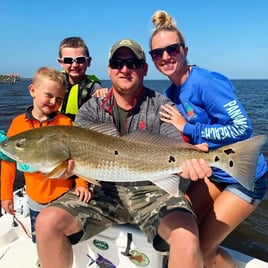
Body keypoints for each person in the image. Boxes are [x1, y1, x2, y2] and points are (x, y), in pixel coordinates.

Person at [35, 39, 212, 268]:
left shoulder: (162, 106)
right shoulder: (90, 109)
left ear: (144, 68)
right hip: (102, 191)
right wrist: (63, 171)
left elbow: (175, 148)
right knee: (47, 222)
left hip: (153, 189)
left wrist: (193, 160)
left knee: (186, 237)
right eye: (118, 63)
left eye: (133, 63)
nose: (125, 69)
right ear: (109, 69)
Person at [149, 10, 268, 268]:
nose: (166, 56)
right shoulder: (172, 93)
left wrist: (189, 128)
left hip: (243, 175)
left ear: (185, 49)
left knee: (203, 248)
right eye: (158, 53)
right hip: (213, 173)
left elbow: (242, 128)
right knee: (178, 231)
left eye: (172, 49)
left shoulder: (205, 82)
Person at [0, 67, 91, 243]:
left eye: (59, 99)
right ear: (32, 90)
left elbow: (79, 157)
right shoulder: (18, 124)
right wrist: (6, 195)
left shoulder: (65, 122)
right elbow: (8, 163)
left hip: (63, 193)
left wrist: (82, 184)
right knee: (40, 239)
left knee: (62, 235)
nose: (53, 102)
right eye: (48, 95)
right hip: (35, 197)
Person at [57, 36, 104, 121]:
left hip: (80, 132)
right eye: (68, 60)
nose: (74, 65)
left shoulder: (94, 88)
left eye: (80, 60)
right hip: (55, 130)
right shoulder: (55, 81)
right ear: (61, 62)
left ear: (88, 62)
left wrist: (102, 94)